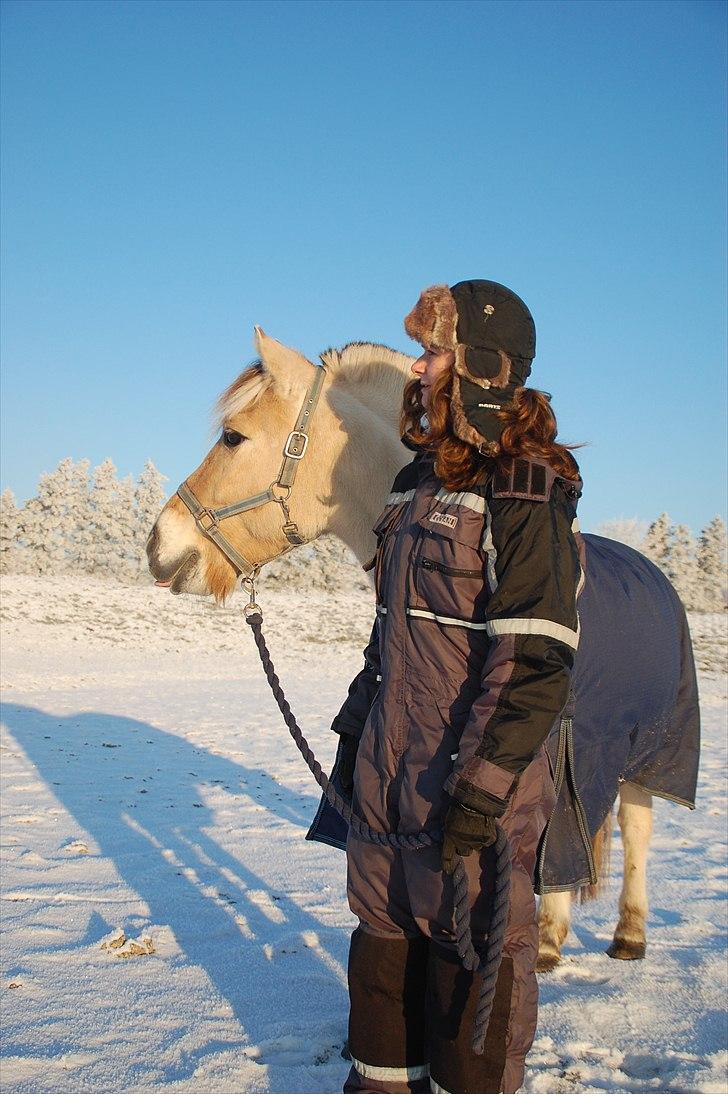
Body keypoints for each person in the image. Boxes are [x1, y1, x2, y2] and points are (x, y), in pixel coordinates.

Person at [332, 279, 584, 1094]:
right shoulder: (412, 485)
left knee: (469, 982)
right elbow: (390, 638)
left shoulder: (524, 493)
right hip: (388, 789)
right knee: (380, 968)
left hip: (472, 797)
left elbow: (534, 664)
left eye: (433, 349)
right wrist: (355, 738)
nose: (419, 364)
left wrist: (481, 790)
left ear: (481, 365)